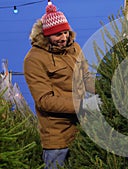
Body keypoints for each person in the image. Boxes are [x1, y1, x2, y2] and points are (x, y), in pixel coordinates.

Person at [23, 2, 101, 169]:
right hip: (57, 137)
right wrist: (83, 105)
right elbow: (44, 101)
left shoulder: (74, 48)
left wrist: (108, 89)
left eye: (65, 32)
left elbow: (86, 78)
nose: (64, 38)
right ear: (46, 35)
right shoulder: (34, 59)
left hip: (82, 130)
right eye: (58, 34)